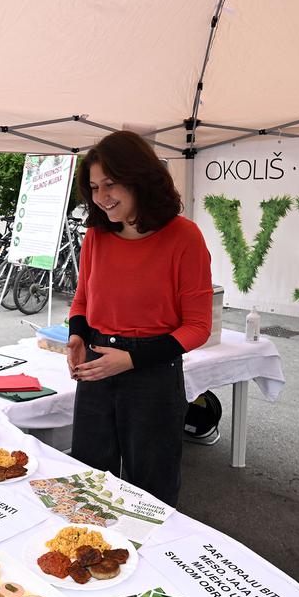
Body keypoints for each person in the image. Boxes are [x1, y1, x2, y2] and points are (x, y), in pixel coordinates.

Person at [67, 130, 213, 507]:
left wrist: (131, 359)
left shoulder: (184, 237)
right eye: (95, 187)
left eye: (111, 184)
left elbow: (197, 327)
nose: (101, 197)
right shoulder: (97, 236)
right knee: (89, 482)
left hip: (152, 373)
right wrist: (77, 335)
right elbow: (83, 298)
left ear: (140, 178)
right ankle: (88, 557)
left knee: (152, 489)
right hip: (97, 364)